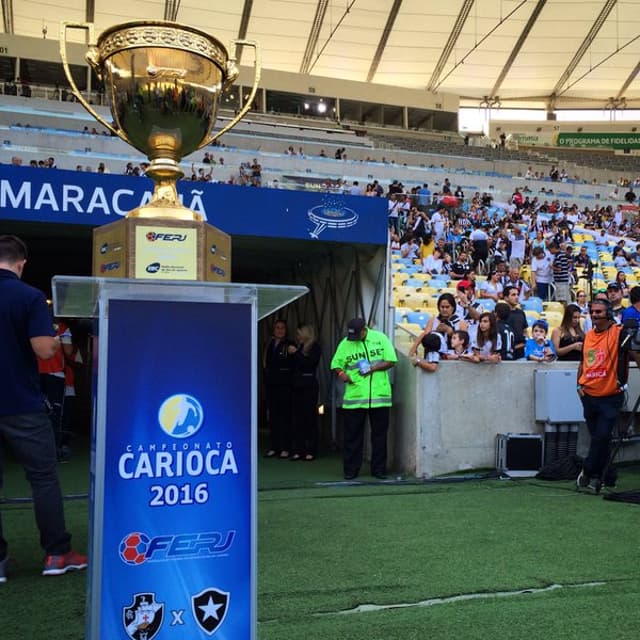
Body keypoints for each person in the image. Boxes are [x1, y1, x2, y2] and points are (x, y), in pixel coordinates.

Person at [0, 235, 87, 580]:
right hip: (21, 403)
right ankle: (57, 553)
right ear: (21, 263)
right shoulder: (30, 296)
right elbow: (44, 350)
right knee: (43, 478)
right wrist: (54, 338)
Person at [576, 298, 637, 493]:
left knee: (602, 437)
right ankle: (608, 476)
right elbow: (583, 363)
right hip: (588, 394)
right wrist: (579, 386)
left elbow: (636, 355)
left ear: (608, 313)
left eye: (599, 312)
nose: (594, 315)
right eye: (592, 312)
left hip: (611, 395)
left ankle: (587, 470)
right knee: (599, 440)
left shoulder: (620, 333)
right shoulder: (588, 336)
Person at [330, 318, 397, 480]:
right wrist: (342, 374)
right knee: (352, 437)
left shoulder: (380, 338)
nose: (353, 339)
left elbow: (391, 361)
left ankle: (379, 470)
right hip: (355, 398)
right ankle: (350, 471)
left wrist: (372, 368)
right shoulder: (345, 343)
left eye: (356, 335)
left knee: (379, 436)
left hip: (379, 397)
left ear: (364, 330)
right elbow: (335, 364)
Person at [288, 325, 322, 461]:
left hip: (309, 386)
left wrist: (296, 353)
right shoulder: (299, 346)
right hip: (296, 386)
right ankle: (298, 449)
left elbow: (309, 364)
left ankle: (310, 449)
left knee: (309, 417)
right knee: (297, 418)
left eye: (299, 334)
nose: (297, 337)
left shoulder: (314, 347)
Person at [263, 319, 294, 459]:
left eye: (282, 328)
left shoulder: (289, 344)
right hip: (272, 385)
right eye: (277, 328)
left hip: (285, 385)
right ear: (273, 330)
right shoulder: (269, 344)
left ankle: (285, 447)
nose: (280, 330)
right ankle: (273, 447)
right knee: (273, 416)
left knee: (285, 417)